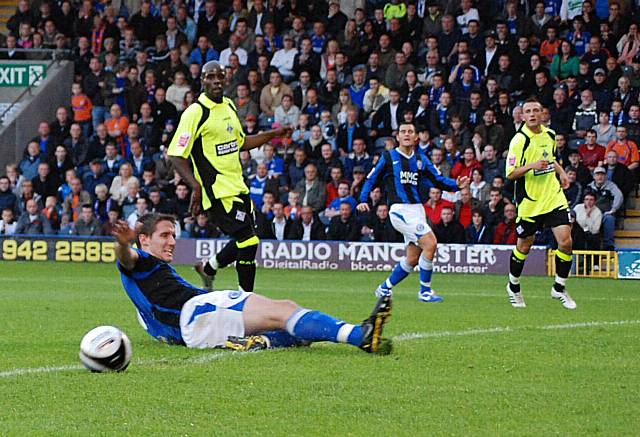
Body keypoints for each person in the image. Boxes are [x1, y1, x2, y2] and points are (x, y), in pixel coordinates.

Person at [112, 213, 392, 354]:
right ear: (144, 240)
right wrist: (122, 245)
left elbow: (154, 317)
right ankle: (362, 336)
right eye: (164, 235)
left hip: (194, 325)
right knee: (285, 309)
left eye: (174, 235)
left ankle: (260, 342)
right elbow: (128, 258)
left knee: (298, 334)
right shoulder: (142, 261)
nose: (172, 241)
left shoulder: (146, 288)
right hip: (199, 312)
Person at [168, 61, 292, 293]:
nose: (216, 81)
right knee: (249, 240)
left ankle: (209, 267)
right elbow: (175, 154)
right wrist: (195, 186)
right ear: (202, 80)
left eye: (220, 77)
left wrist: (272, 134)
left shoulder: (228, 106)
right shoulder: (196, 112)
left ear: (225, 79)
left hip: (238, 185)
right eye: (210, 77)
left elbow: (241, 142)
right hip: (216, 189)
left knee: (247, 237)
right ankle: (245, 305)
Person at [358, 122, 468, 303]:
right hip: (399, 210)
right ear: (398, 137)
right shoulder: (388, 157)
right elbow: (371, 180)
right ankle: (425, 291)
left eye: (410, 131)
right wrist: (362, 200)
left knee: (412, 258)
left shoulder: (421, 159)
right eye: (403, 132)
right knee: (431, 243)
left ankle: (384, 288)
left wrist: (457, 185)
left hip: (417, 210)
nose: (407, 134)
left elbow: (437, 180)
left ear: (416, 137)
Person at [505, 98, 576, 310]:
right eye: (528, 111)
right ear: (523, 116)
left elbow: (551, 159)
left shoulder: (550, 134)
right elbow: (510, 173)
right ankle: (514, 285)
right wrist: (531, 166)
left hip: (553, 196)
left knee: (566, 241)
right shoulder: (519, 140)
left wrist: (562, 173)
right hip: (530, 201)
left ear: (543, 113)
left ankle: (559, 287)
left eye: (537, 110)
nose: (533, 114)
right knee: (524, 246)